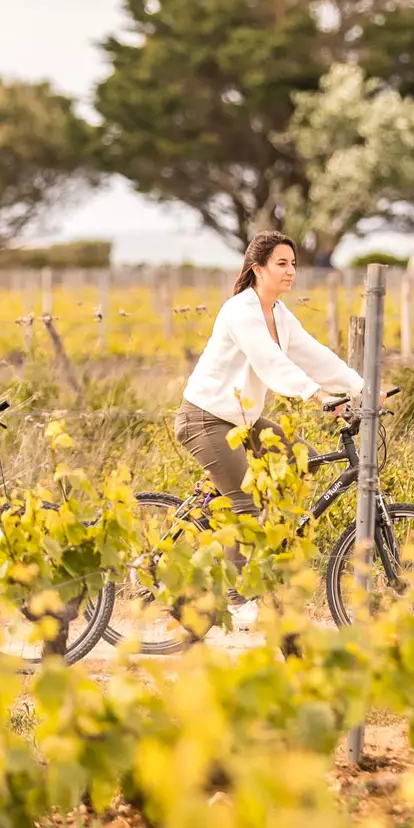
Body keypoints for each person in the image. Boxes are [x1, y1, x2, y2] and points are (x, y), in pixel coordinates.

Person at [175, 231, 368, 623]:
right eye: (281, 263)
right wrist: (318, 397)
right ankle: (237, 595)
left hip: (242, 419)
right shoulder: (240, 311)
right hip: (206, 418)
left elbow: (315, 355)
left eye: (293, 263)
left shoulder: (278, 313)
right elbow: (270, 363)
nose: (290, 271)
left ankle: (250, 543)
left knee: (306, 462)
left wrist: (363, 388)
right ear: (256, 269)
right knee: (245, 502)